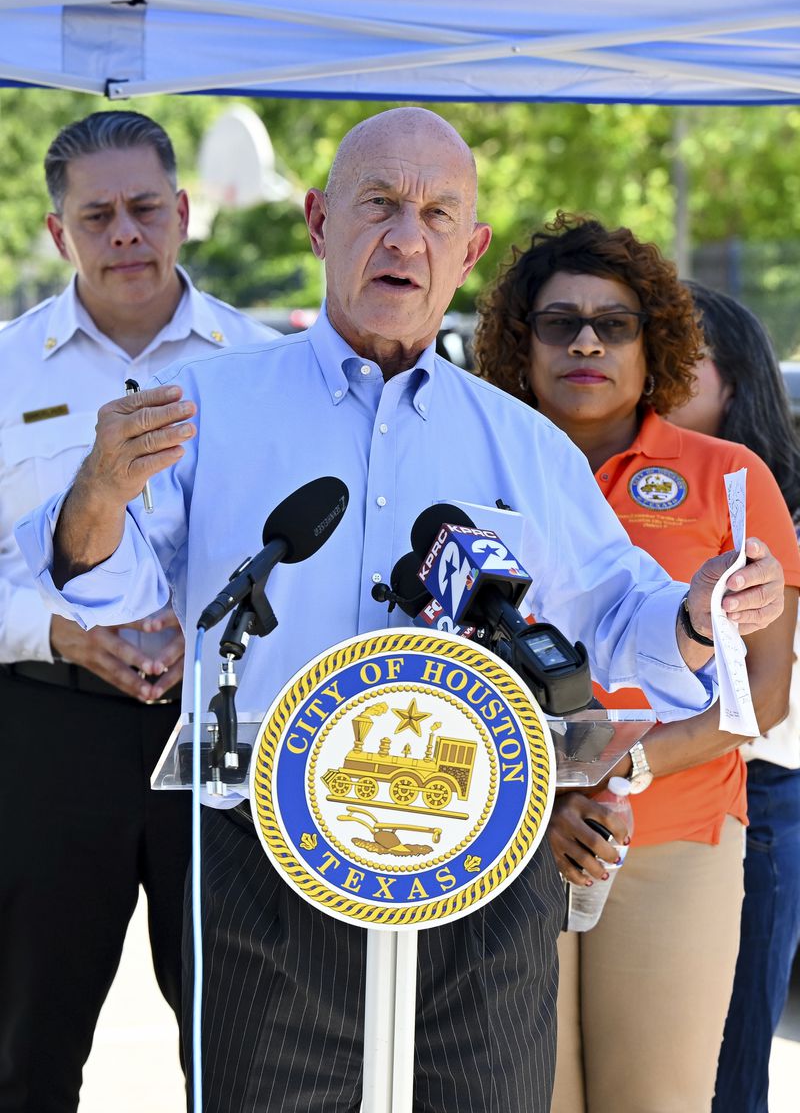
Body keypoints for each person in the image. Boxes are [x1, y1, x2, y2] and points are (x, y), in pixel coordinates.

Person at [14, 110, 786, 1113]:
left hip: (485, 867)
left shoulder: (523, 445)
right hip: (268, 866)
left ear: (466, 252)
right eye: (376, 205)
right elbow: (104, 586)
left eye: (434, 214)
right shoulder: (204, 404)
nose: (403, 237)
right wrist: (100, 491)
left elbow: (621, 612)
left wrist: (696, 609)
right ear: (317, 221)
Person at [473, 212, 800, 1113]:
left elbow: (762, 695)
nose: (586, 341)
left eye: (614, 323)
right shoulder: (466, 466)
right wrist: (547, 797)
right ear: (518, 343)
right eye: (559, 322)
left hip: (675, 840)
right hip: (501, 837)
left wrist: (621, 767)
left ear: (654, 344)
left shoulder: (728, 476)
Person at [0, 110, 278, 1113]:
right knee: (28, 1039)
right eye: (98, 214)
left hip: (225, 731)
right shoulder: (5, 371)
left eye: (144, 207)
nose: (125, 232)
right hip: (48, 731)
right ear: (54, 231)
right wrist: (62, 628)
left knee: (238, 1034)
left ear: (183, 212)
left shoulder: (262, 366)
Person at [666, 283, 800, 1113]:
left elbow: (768, 700)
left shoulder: (774, 505)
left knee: (725, 1073)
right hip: (633, 802)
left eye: (680, 356)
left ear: (735, 378)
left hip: (755, 802)